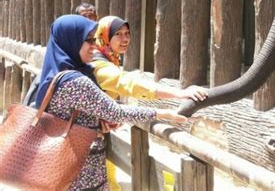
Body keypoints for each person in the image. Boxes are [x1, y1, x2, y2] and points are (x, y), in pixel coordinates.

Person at [35, 15, 187, 190]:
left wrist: (97, 124)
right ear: (72, 41)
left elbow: (67, 117)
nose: (94, 46)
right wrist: (163, 113)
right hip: (81, 173)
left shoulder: (56, 73)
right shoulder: (75, 81)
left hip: (63, 167)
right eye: (88, 40)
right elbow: (117, 112)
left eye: (95, 39)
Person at [91, 15, 208, 101]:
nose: (125, 39)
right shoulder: (99, 65)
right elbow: (131, 84)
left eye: (127, 33)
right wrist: (179, 93)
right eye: (118, 34)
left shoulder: (110, 58)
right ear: (104, 36)